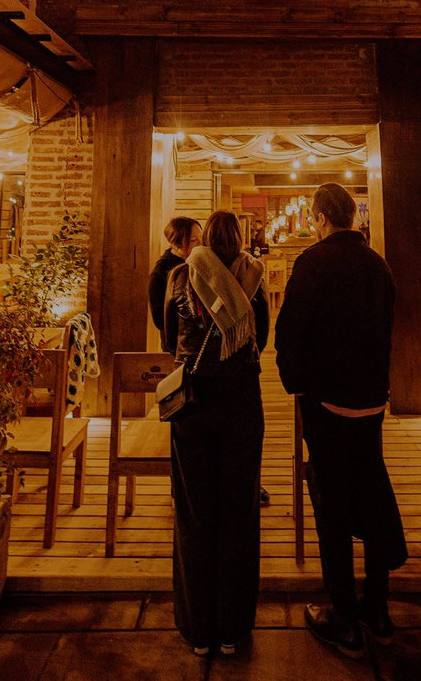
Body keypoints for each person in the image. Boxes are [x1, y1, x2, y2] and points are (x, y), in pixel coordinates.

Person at [275, 183, 407, 659]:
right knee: (371, 491)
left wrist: (295, 382)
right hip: (371, 400)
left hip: (327, 400)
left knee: (331, 503)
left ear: (320, 218)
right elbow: (388, 325)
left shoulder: (312, 263)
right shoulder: (378, 264)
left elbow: (289, 332)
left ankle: (344, 615)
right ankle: (378, 605)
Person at [163, 210, 269, 657]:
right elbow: (261, 340)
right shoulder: (254, 278)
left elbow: (170, 339)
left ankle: (198, 629)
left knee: (194, 511)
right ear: (240, 238)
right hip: (241, 402)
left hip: (193, 404)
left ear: (204, 238)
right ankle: (232, 628)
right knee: (239, 510)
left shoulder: (181, 276)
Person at [148, 217, 201, 333]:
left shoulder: (197, 262)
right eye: (193, 240)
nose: (200, 243)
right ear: (176, 244)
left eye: (201, 237)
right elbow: (160, 320)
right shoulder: (160, 273)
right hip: (179, 339)